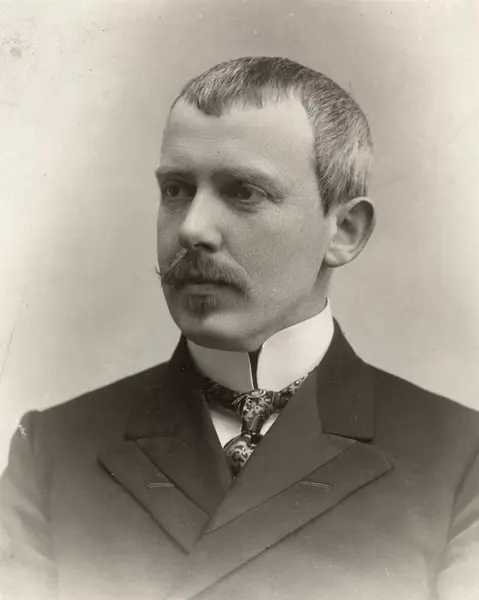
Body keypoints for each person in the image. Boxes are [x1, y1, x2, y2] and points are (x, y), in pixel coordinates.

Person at [1, 56, 478, 600]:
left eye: (244, 192)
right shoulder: (51, 453)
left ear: (344, 230)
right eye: (176, 190)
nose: (193, 229)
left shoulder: (460, 462)